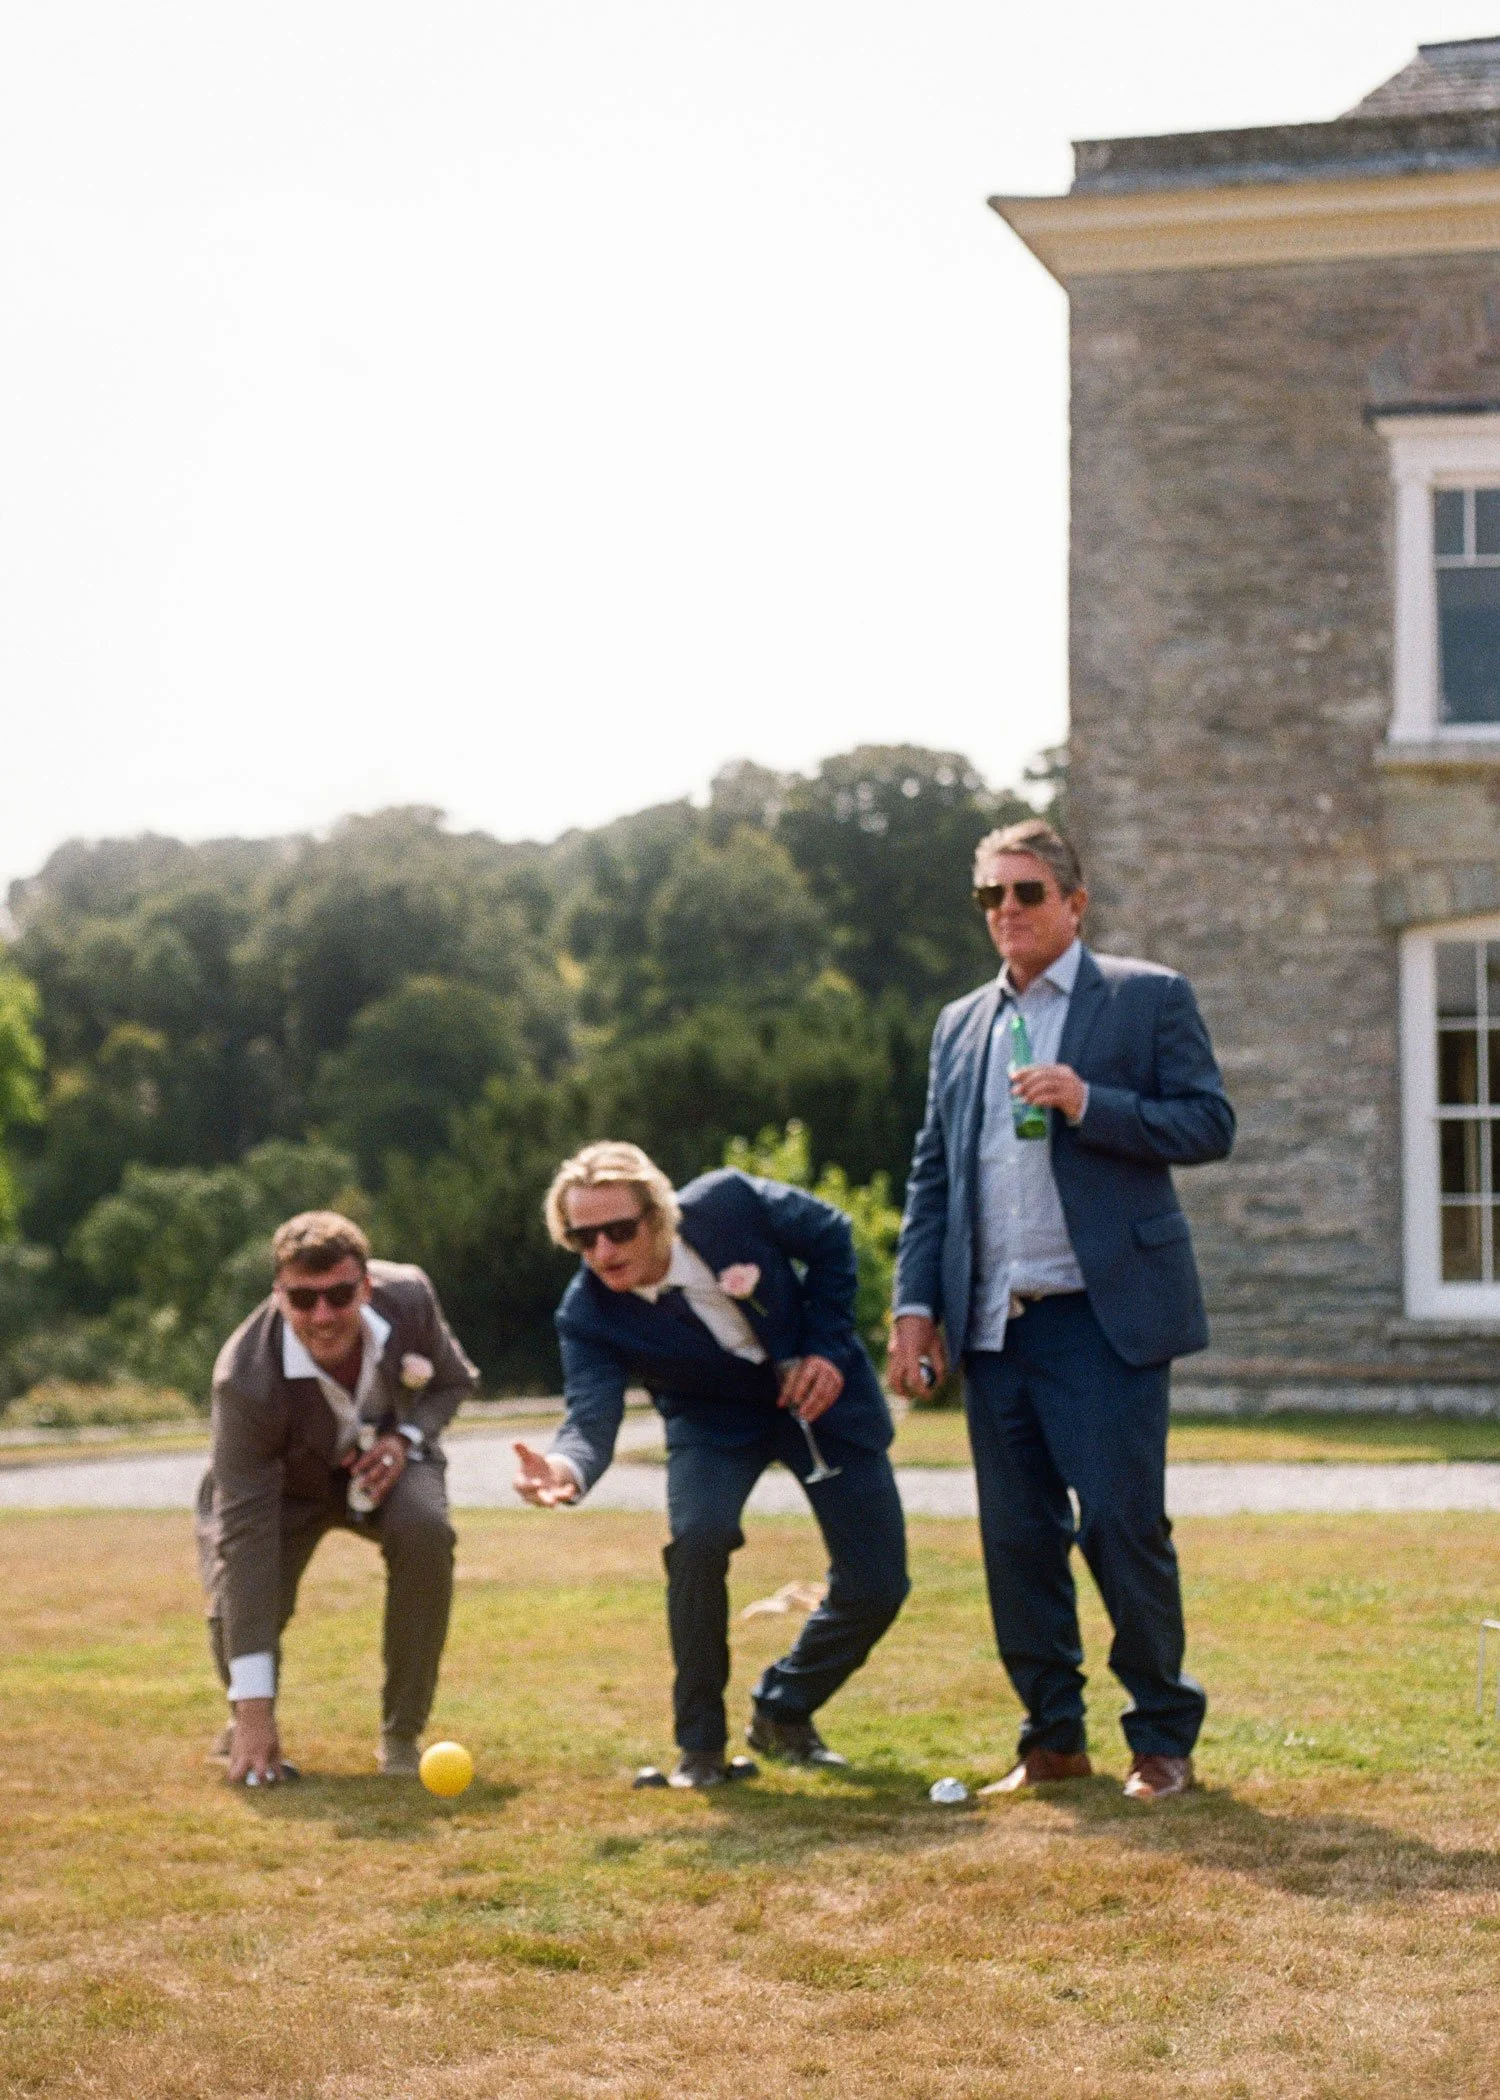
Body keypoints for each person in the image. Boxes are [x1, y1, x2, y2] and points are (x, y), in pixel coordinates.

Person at [889, 818, 1234, 1802]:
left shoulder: (1146, 997)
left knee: (1122, 1526)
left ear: (1074, 904)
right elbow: (932, 1176)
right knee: (1016, 1538)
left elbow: (1209, 1123)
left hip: (1103, 1315)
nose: (1006, 911)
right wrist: (916, 1304)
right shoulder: (961, 1023)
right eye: (990, 896)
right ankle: (1052, 1739)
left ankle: (1161, 1738)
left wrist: (1091, 1101)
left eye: (1027, 893)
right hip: (994, 1325)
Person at [513, 1143, 909, 1788]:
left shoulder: (729, 1202)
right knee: (697, 1538)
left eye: (619, 1230)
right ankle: (700, 1751)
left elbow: (833, 1233)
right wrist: (564, 1467)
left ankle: (783, 1709)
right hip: (711, 1421)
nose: (604, 1252)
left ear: (660, 1213)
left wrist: (826, 1347)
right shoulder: (586, 1312)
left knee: (878, 1586)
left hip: (820, 1397)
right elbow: (590, 1415)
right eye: (583, 1239)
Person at [196, 1210, 479, 1784]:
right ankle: (247, 1720)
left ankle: (402, 1733)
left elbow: (452, 1380)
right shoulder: (243, 1379)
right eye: (302, 1299)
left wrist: (406, 1438)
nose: (322, 1315)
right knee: (237, 1599)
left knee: (427, 1531)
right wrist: (254, 1711)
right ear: (279, 1295)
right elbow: (244, 1542)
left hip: (389, 1467)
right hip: (283, 1490)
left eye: (340, 1294)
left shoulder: (411, 1297)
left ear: (367, 1285)